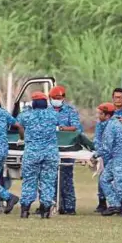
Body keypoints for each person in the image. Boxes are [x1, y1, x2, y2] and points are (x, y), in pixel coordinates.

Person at [16, 92, 60, 218]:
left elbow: (18, 125)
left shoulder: (26, 115)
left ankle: (25, 210)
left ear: (33, 103)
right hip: (50, 153)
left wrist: (22, 137)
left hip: (32, 153)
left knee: (29, 181)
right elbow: (59, 124)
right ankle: (45, 211)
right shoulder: (53, 114)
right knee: (48, 181)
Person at [93, 103, 122, 217]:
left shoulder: (111, 126)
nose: (98, 116)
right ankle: (115, 205)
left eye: (100, 114)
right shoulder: (111, 123)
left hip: (121, 158)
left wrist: (94, 155)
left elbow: (106, 147)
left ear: (107, 115)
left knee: (120, 183)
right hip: (116, 158)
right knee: (104, 179)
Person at [49, 85, 83, 215]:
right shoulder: (47, 110)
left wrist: (61, 128)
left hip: (66, 148)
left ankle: (69, 207)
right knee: (50, 178)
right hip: (51, 147)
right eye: (54, 98)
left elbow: (76, 127)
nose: (56, 100)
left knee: (66, 177)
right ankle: (51, 204)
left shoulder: (70, 111)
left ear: (63, 97)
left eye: (58, 98)